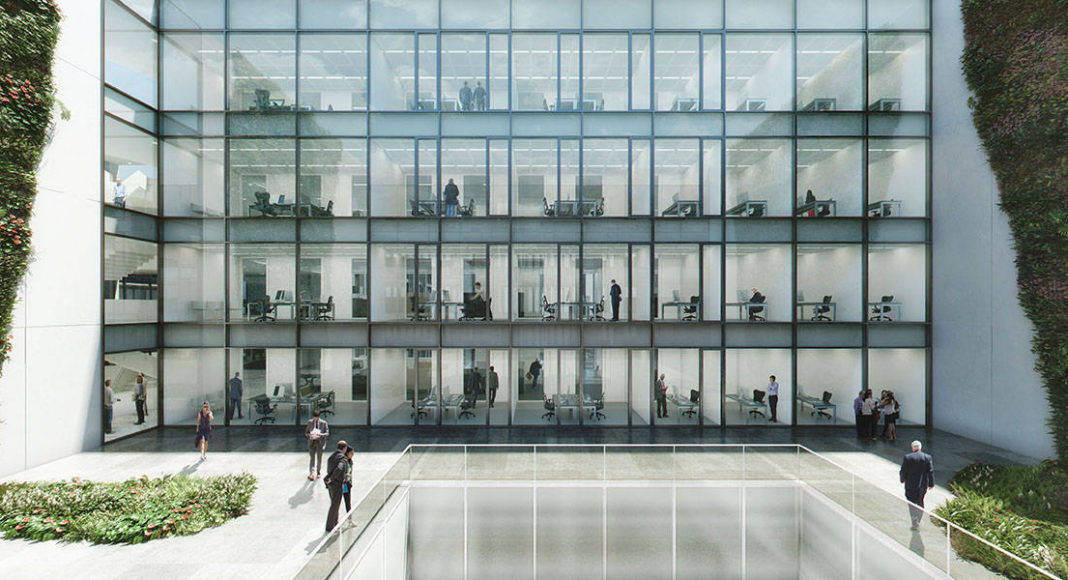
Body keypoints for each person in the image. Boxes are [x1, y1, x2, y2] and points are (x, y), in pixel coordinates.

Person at [900, 440, 935, 530]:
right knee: (920, 501)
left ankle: (914, 520)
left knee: (911, 503)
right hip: (922, 486)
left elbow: (903, 470)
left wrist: (902, 480)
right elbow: (930, 471)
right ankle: (918, 520)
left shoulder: (908, 457)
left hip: (910, 485)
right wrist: (931, 483)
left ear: (912, 448)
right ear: (920, 448)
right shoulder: (927, 457)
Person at [324, 440, 349, 532]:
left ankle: (335, 522)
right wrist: (332, 478)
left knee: (334, 504)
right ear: (344, 448)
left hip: (330, 485)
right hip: (337, 484)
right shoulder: (342, 458)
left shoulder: (332, 456)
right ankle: (330, 526)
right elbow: (339, 468)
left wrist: (330, 479)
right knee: (335, 505)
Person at [306, 410, 330, 480]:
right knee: (312, 458)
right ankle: (311, 473)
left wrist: (321, 434)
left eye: (317, 417)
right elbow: (306, 432)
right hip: (312, 441)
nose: (315, 419)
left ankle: (318, 472)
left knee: (319, 458)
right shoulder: (310, 422)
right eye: (314, 417)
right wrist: (309, 434)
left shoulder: (324, 423)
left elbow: (327, 433)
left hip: (320, 442)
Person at [341, 445, 356, 516]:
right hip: (342, 484)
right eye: (351, 453)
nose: (352, 455)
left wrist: (350, 482)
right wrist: (345, 476)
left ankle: (350, 518)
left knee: (348, 502)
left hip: (347, 484)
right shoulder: (343, 461)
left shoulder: (350, 462)